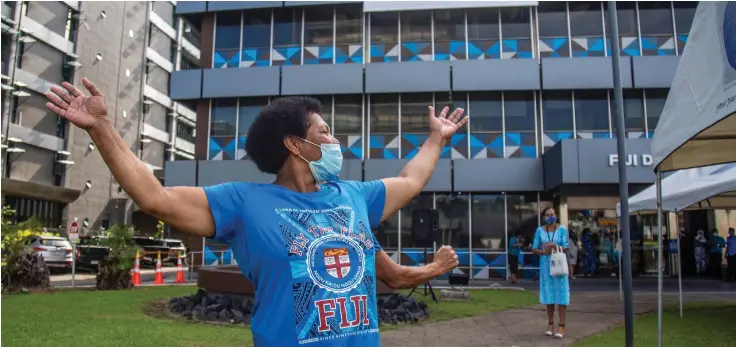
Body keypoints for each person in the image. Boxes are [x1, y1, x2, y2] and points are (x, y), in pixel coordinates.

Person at [45, 78, 467, 347]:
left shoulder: (354, 196)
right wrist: (101, 128)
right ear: (295, 144)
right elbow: (154, 197)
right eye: (324, 131)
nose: (335, 140)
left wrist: (436, 137)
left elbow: (410, 181)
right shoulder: (243, 202)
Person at [532, 207, 570, 339]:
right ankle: (550, 324)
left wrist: (555, 246)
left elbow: (566, 247)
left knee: (561, 295)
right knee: (549, 295)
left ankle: (562, 325)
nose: (550, 217)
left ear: (556, 216)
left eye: (552, 214)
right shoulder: (539, 230)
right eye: (547, 215)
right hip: (545, 266)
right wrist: (542, 252)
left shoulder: (562, 229)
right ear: (543, 217)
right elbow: (534, 248)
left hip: (559, 265)